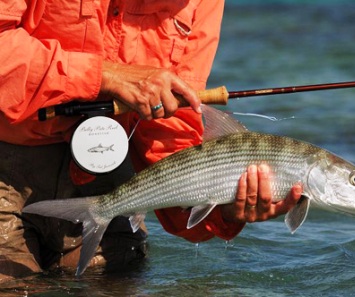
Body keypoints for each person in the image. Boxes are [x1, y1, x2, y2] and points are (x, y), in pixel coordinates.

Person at [0, 0, 302, 282]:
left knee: (116, 280)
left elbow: (171, 132)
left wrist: (224, 208)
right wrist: (106, 75)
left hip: (107, 173)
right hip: (7, 164)